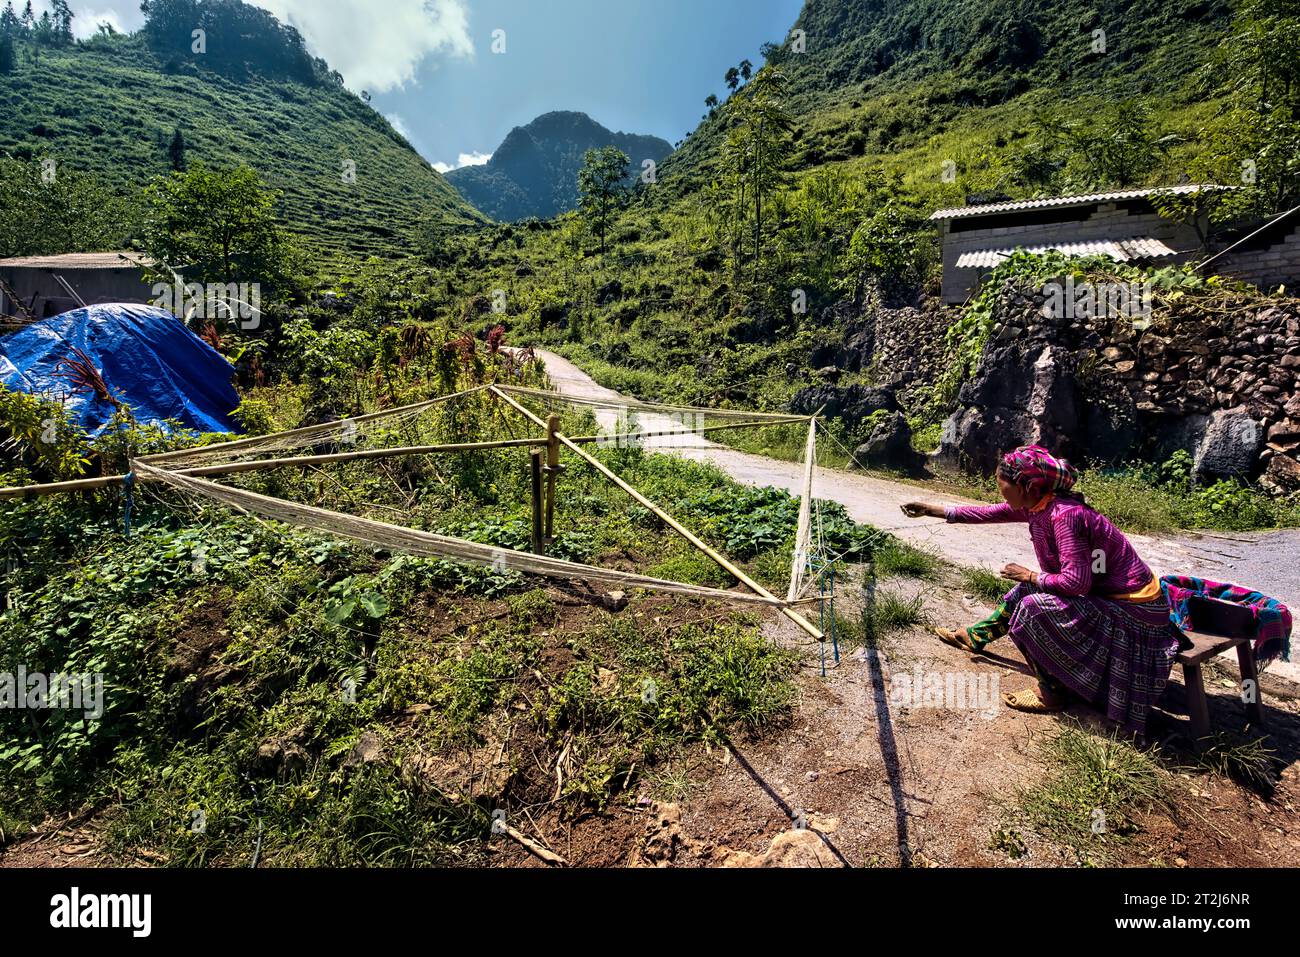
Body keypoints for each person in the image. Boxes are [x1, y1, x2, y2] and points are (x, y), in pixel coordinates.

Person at [901, 445, 1183, 736]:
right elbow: (987, 513)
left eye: (1003, 487)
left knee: (1033, 609)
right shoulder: (1040, 504)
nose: (1001, 494)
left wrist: (1031, 574)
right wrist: (931, 510)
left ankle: (1051, 694)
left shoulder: (1065, 517)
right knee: (1025, 592)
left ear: (1029, 486)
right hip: (1112, 600)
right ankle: (975, 636)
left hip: (1135, 614)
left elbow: (1076, 583)